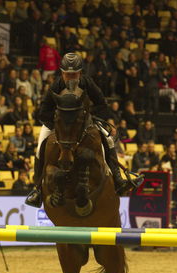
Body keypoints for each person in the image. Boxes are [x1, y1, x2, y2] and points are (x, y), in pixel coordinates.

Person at [26, 53, 143, 207]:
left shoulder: (87, 83)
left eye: (73, 74)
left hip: (84, 123)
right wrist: (58, 128)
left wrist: (89, 118)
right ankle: (38, 189)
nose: (70, 78)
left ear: (80, 73)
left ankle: (118, 178)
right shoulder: (56, 85)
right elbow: (43, 112)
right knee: (40, 146)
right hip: (59, 126)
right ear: (62, 73)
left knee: (107, 138)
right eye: (67, 75)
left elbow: (102, 104)